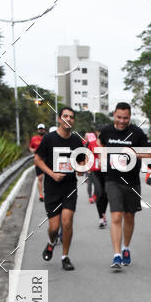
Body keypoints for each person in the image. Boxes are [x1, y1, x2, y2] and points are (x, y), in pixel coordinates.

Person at [99, 102, 151, 271]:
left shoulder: (136, 132)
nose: (122, 121)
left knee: (129, 217)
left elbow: (150, 153)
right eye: (119, 117)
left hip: (132, 181)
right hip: (112, 179)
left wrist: (134, 153)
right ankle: (116, 254)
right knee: (116, 216)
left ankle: (125, 248)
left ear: (130, 117)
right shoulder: (106, 131)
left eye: (125, 118)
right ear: (114, 114)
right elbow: (98, 146)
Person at [35, 106, 86, 271]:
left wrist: (81, 168)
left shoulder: (76, 141)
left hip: (69, 187)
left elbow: (81, 163)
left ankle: (65, 257)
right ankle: (51, 242)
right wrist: (52, 174)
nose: (68, 119)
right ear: (59, 119)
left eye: (71, 117)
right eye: (65, 116)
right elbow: (37, 160)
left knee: (67, 221)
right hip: (52, 188)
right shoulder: (49, 139)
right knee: (54, 227)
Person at [29, 123, 46, 201]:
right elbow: (31, 147)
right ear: (38, 130)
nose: (41, 130)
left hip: (47, 160)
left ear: (44, 130)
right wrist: (33, 150)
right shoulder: (34, 139)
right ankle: (41, 195)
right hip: (38, 161)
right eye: (40, 129)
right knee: (40, 177)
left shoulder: (47, 138)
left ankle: (47, 192)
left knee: (48, 178)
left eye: (42, 129)